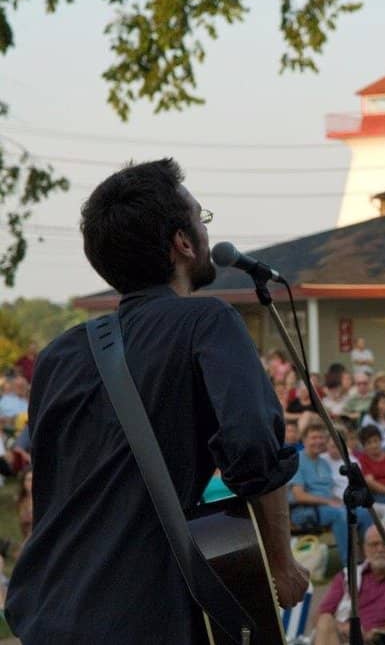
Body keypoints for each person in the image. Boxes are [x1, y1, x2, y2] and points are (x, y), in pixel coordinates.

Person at [6, 159, 308, 643]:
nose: (206, 231)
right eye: (200, 219)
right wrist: (281, 563)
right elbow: (253, 445)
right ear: (182, 243)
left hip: (50, 605)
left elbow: (52, 482)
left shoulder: (59, 354)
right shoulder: (207, 322)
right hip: (143, 610)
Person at [313, 525, 385, 645]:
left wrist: (378, 632)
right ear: (365, 549)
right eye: (374, 544)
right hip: (344, 639)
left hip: (381, 640)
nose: (380, 549)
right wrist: (343, 627)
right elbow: (319, 616)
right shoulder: (348, 576)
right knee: (325, 620)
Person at [289, 423, 372, 564]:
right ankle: (349, 563)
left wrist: (340, 501)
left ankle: (368, 560)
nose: (318, 441)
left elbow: (328, 492)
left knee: (364, 512)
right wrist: (328, 501)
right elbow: (299, 495)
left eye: (321, 438)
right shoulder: (298, 461)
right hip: (304, 510)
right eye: (313, 438)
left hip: (327, 508)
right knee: (341, 514)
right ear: (304, 440)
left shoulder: (323, 462)